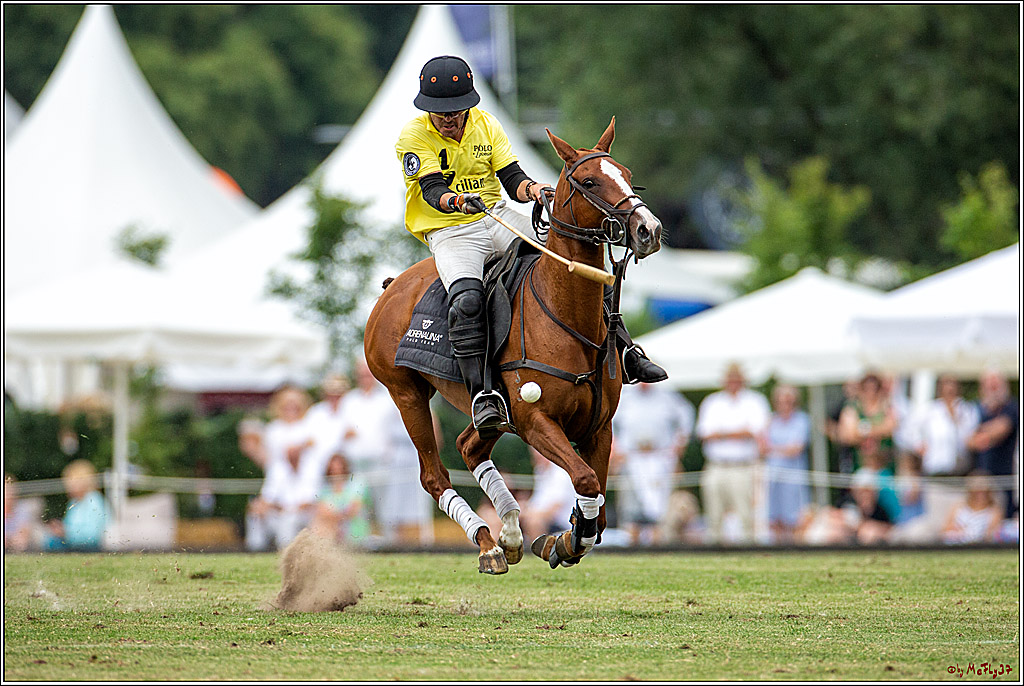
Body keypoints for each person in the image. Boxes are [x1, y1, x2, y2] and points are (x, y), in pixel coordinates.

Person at [395, 54, 666, 434]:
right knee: (468, 299)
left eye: (456, 111)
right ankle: (482, 395)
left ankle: (626, 350)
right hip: (450, 230)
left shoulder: (486, 125)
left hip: (496, 216)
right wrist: (457, 201)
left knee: (565, 261)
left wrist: (536, 190)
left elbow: (512, 178)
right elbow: (431, 189)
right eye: (442, 113)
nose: (450, 119)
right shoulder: (413, 136)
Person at [695, 363, 770, 544]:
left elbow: (756, 432)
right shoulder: (712, 402)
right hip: (716, 465)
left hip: (742, 466)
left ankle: (748, 554)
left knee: (745, 515)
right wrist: (737, 432)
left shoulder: (755, 401)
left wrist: (721, 433)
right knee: (714, 514)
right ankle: (714, 554)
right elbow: (704, 434)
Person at [611, 382, 694, 545]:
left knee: (660, 507)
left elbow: (687, 415)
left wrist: (680, 444)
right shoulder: (623, 395)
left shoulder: (668, 394)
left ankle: (658, 546)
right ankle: (631, 547)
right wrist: (615, 448)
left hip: (660, 458)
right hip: (632, 458)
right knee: (631, 508)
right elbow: (608, 421)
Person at [245, 386, 321, 551]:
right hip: (281, 502)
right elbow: (271, 471)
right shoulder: (273, 430)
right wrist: (266, 503)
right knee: (256, 512)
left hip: (302, 507)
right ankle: (254, 551)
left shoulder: (309, 427)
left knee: (289, 519)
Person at [967, 370, 1019, 519]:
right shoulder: (976, 409)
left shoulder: (1012, 407)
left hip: (1006, 480)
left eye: (995, 386)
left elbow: (999, 431)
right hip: (982, 481)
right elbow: (970, 442)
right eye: (989, 386)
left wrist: (979, 432)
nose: (992, 390)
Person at [763, 384, 811, 545]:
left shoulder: (801, 420)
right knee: (774, 517)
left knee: (794, 517)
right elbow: (762, 447)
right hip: (773, 477)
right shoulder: (771, 420)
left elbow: (796, 449)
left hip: (793, 477)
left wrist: (774, 448)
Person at [916, 374, 980, 477]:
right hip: (934, 470)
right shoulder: (930, 409)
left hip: (960, 471)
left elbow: (969, 437)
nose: (949, 388)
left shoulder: (967, 409)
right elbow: (912, 431)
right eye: (946, 383)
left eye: (952, 383)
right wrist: (919, 445)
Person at [44, 459, 110, 551]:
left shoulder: (94, 500)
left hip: (91, 547)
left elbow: (93, 535)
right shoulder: (74, 502)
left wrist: (66, 533)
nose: (69, 487)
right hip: (75, 544)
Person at [838, 373, 898, 473]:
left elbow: (892, 427)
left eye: (874, 388)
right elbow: (846, 435)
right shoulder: (853, 406)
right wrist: (879, 429)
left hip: (885, 464)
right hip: (859, 464)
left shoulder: (886, 404)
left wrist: (863, 430)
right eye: (867, 388)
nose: (871, 392)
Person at [519, 447, 577, 544]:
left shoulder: (561, 474)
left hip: (562, 522)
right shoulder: (540, 470)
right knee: (495, 516)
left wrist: (528, 514)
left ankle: (537, 555)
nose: (537, 457)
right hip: (541, 516)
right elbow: (537, 500)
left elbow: (554, 509)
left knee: (534, 522)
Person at [311, 454, 372, 547]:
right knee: (319, 522)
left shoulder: (356, 484)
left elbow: (354, 509)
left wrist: (338, 517)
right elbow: (321, 510)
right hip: (332, 527)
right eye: (333, 468)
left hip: (352, 526)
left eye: (339, 467)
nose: (336, 471)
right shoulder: (325, 489)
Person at [941, 471, 1003, 544]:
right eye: (977, 492)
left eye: (984, 492)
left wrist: (971, 533)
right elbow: (945, 529)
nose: (980, 496)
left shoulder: (994, 510)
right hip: (957, 543)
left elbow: (992, 533)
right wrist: (957, 530)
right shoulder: (959, 506)